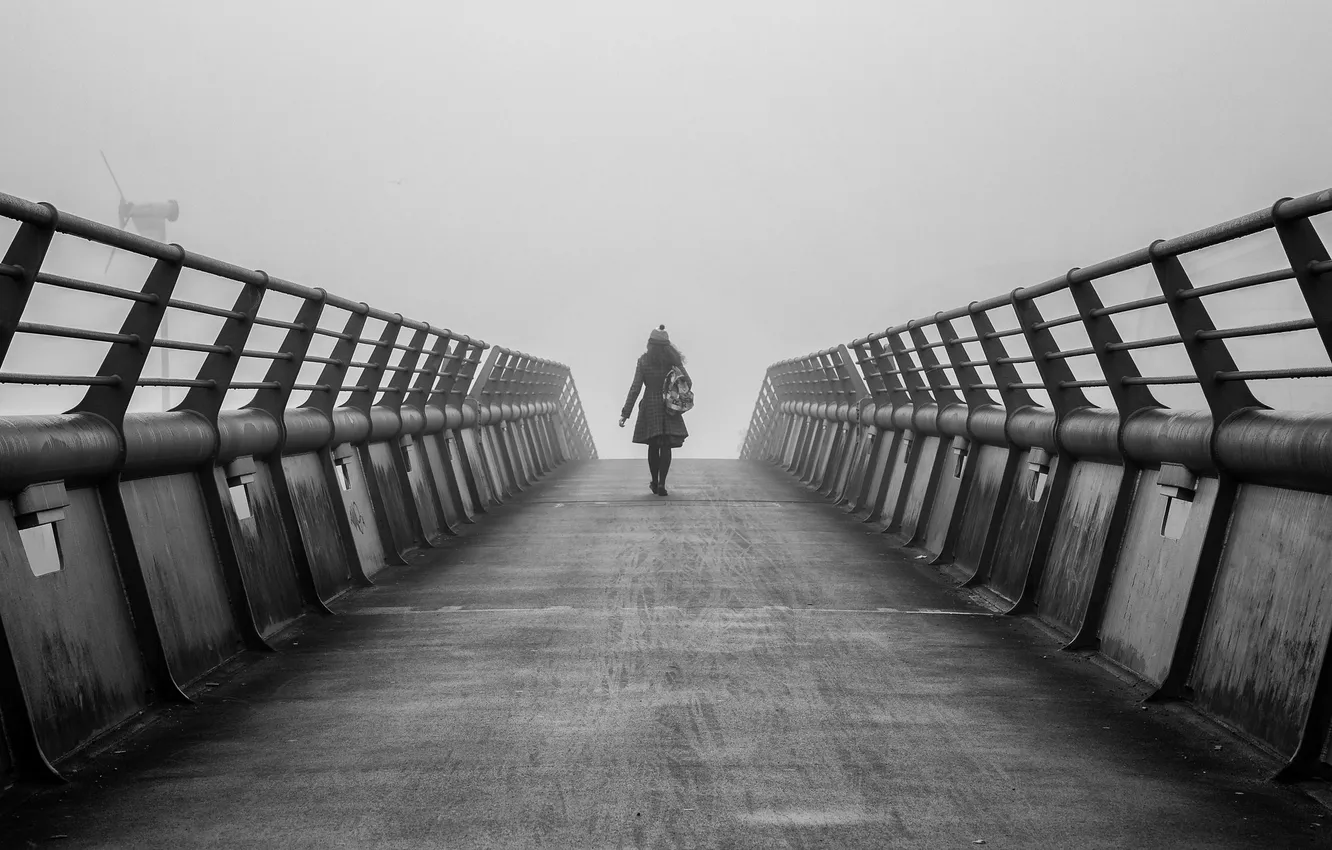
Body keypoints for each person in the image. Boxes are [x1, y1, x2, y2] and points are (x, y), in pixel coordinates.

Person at [619, 325, 689, 496]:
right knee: (666, 446)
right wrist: (674, 388)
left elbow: (635, 388)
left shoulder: (643, 361)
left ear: (650, 344)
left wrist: (625, 413)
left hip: (650, 406)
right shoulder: (673, 362)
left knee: (653, 446)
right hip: (669, 406)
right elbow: (687, 382)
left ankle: (655, 482)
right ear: (667, 345)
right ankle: (662, 484)